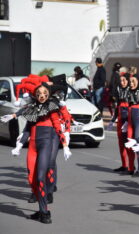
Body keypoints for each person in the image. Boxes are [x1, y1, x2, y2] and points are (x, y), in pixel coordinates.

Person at [2, 75, 71, 224]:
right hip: (32, 147)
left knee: (41, 177)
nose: (42, 96)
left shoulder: (52, 108)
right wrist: (18, 146)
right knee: (32, 179)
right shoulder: (32, 108)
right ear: (35, 94)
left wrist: (65, 145)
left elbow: (58, 127)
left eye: (45, 94)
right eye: (39, 94)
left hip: (46, 144)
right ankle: (41, 210)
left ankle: (45, 213)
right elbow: (27, 128)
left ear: (48, 94)